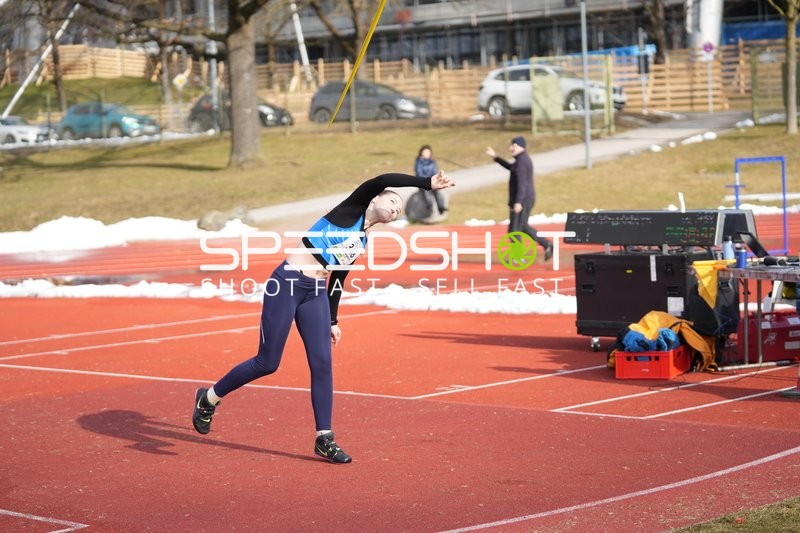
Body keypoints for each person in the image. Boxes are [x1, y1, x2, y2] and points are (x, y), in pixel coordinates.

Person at [192, 170, 456, 464]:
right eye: (393, 200)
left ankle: (324, 439)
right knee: (267, 362)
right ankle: (209, 398)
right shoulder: (351, 209)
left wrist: (332, 319)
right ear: (375, 199)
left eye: (398, 209)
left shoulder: (362, 239)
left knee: (322, 364)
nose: (395, 207)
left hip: (315, 293)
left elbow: (339, 278)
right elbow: (379, 180)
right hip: (287, 284)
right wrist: (425, 184)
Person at [486, 135, 552, 261]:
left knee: (515, 228)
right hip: (524, 198)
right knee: (519, 227)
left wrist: (518, 202)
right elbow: (511, 168)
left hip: (523, 199)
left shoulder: (522, 162)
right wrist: (495, 158)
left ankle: (522, 254)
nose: (510, 148)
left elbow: (523, 184)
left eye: (511, 146)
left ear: (516, 146)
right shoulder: (521, 160)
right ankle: (544, 245)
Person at [414, 144, 448, 219]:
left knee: (438, 192)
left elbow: (434, 171)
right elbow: (419, 172)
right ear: (421, 153)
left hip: (432, 181)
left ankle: (441, 207)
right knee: (426, 193)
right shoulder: (418, 161)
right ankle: (429, 207)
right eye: (425, 152)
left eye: (428, 152)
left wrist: (434, 180)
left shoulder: (432, 162)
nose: (427, 154)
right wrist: (425, 181)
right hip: (422, 181)